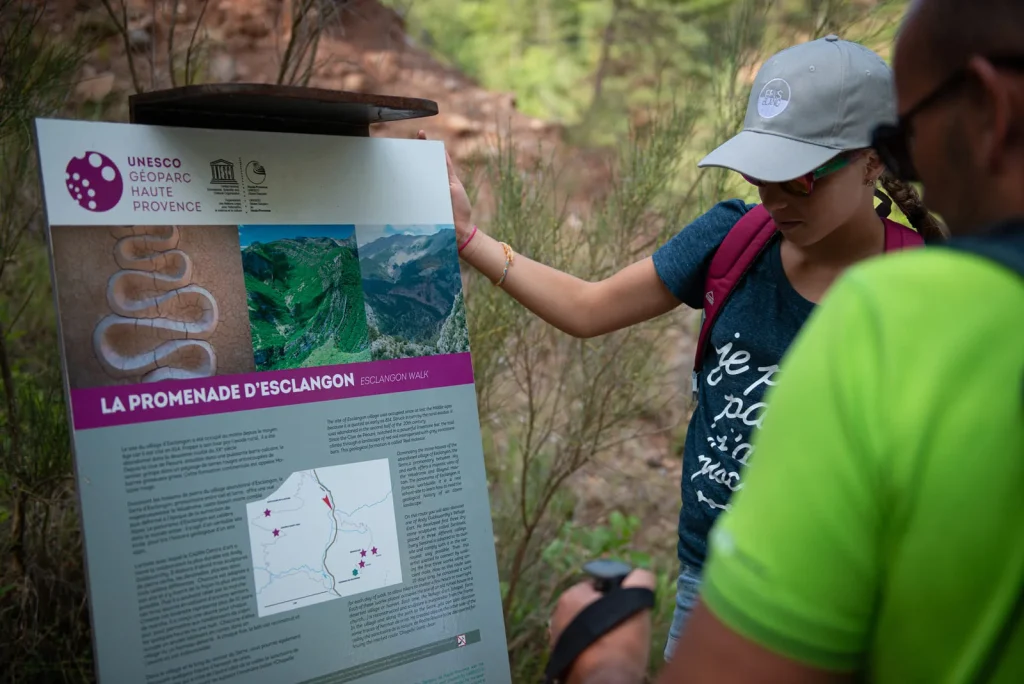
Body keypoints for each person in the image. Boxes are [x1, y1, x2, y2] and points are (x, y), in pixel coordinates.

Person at [546, 0, 1024, 681]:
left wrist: (603, 662)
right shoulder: (748, 246)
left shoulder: (894, 311)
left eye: (907, 141)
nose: (773, 196)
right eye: (757, 172)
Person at [423, 35, 941, 660]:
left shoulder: (926, 290)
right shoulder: (735, 239)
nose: (773, 199)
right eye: (758, 174)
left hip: (848, 603)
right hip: (711, 583)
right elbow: (589, 309)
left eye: (798, 179)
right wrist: (469, 238)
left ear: (873, 160)